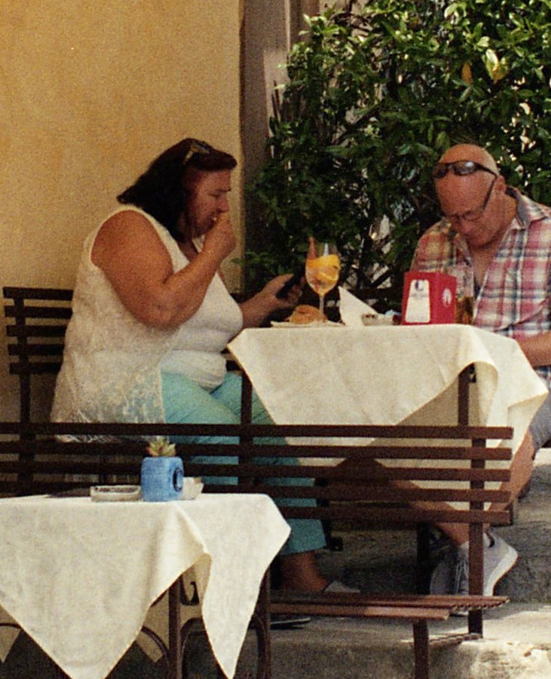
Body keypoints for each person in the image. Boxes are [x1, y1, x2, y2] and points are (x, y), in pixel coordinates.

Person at [56, 138, 339, 594]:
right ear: (178, 192)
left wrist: (263, 303)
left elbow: (206, 324)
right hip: (131, 381)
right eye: (215, 194)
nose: (224, 208)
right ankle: (235, 585)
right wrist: (213, 254)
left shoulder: (188, 244)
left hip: (196, 380)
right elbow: (161, 309)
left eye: (226, 194)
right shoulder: (129, 226)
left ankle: (301, 576)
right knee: (233, 441)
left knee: (273, 432)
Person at [407, 143, 551, 594]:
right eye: (453, 216)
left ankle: (465, 546)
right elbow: (416, 328)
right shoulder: (434, 241)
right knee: (380, 442)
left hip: (530, 387)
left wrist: (498, 353)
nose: (462, 227)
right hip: (449, 389)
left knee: (502, 454)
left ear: (500, 189)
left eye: (471, 214)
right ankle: (476, 545)